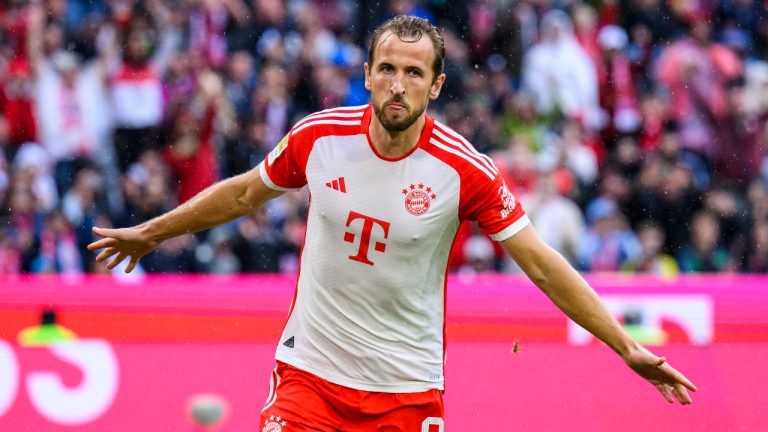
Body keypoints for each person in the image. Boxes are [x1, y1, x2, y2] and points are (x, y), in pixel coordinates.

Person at [88, 16, 697, 431]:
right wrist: (151, 233)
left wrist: (626, 346)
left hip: (405, 391)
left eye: (413, 73)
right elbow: (245, 193)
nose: (397, 85)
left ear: (436, 85)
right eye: (387, 69)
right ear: (367, 74)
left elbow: (540, 263)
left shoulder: (465, 170)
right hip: (310, 377)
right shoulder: (319, 137)